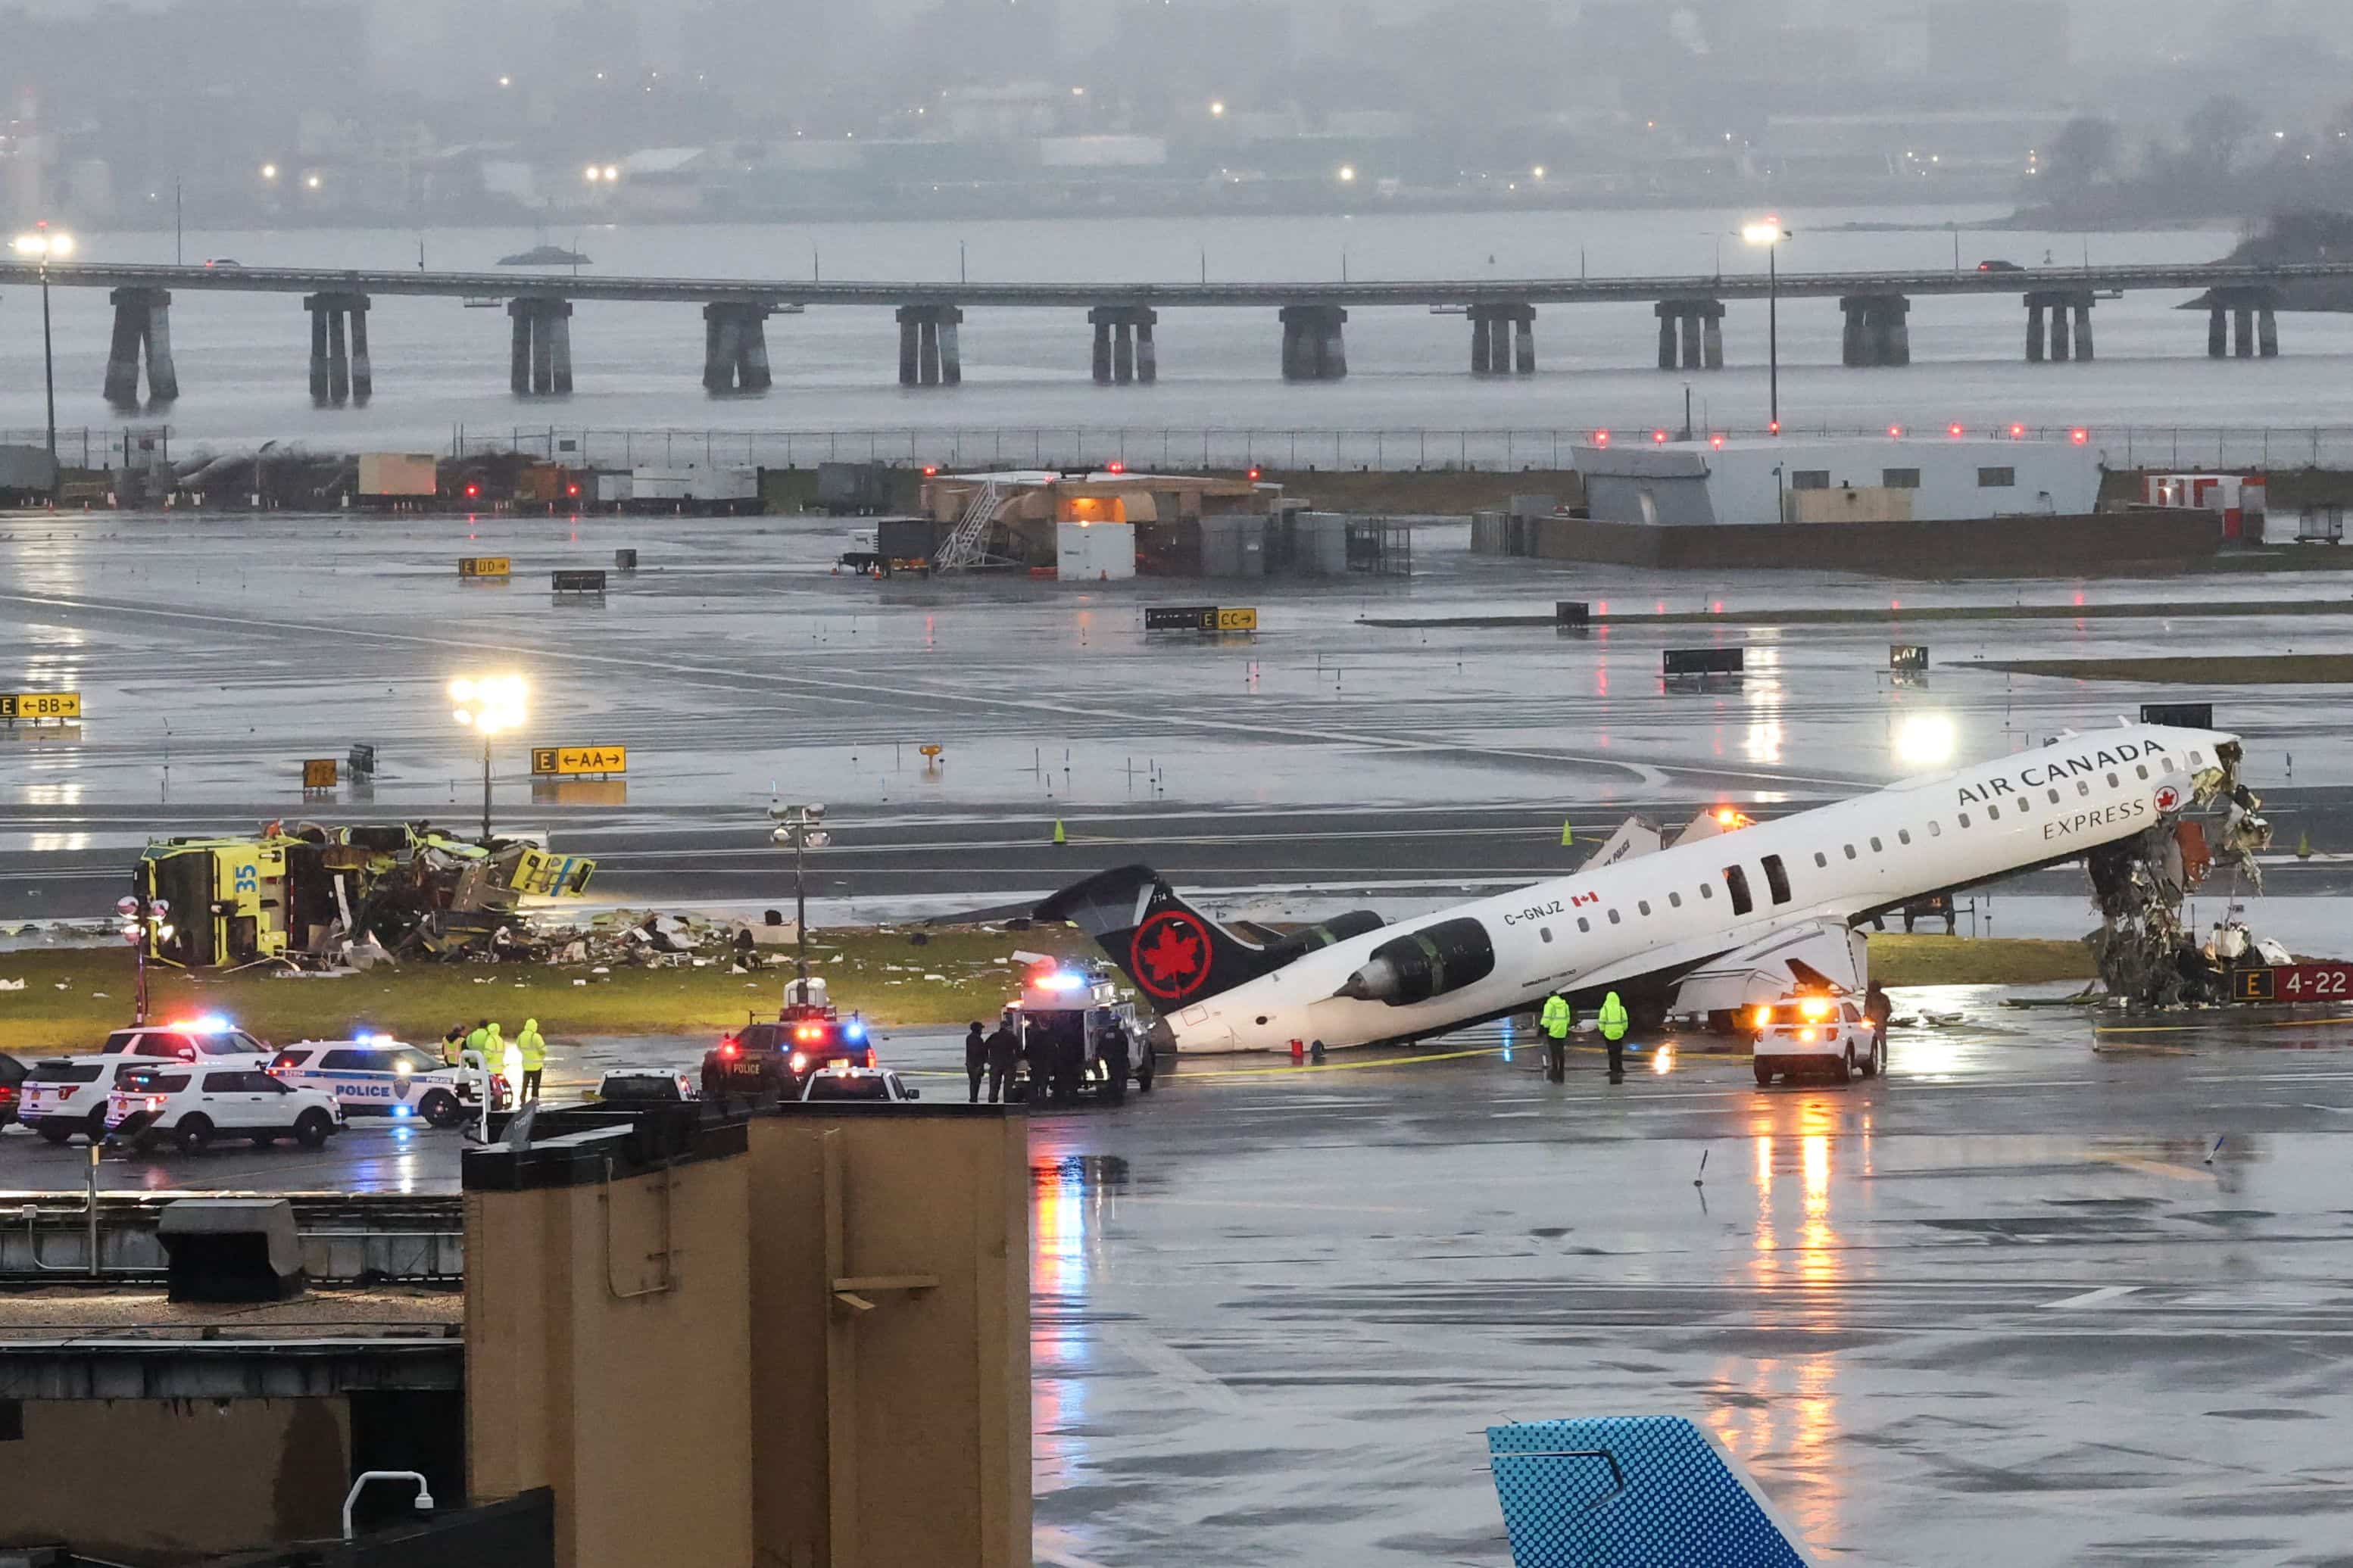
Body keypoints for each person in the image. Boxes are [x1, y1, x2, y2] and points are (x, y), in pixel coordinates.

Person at [983, 1016, 1022, 1104]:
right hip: (1009, 1064)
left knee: (994, 1086)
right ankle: (1007, 1104)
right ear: (1008, 1027)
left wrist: (987, 1059)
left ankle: (992, 1104)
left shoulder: (993, 1036)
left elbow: (984, 1047)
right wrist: (1017, 1059)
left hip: (995, 1064)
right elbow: (1018, 1050)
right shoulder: (1012, 1037)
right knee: (1008, 1086)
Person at [1597, 990, 1631, 1083]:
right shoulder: (1621, 1009)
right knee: (1618, 1051)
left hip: (1608, 1033)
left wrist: (1602, 1030)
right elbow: (1625, 1021)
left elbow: (1602, 1021)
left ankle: (1613, 1068)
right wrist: (1623, 1029)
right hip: (1619, 1033)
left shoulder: (1605, 1009)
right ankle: (1620, 1068)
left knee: (1611, 1052)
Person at [1539, 993, 1573, 1083]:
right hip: (1562, 1029)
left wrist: (1543, 1027)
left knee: (1554, 1050)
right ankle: (1561, 1068)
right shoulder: (1565, 1004)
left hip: (1553, 1029)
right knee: (1561, 1049)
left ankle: (1555, 1068)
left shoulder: (1549, 1005)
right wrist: (1564, 1025)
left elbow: (1546, 1018)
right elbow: (1568, 1018)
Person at [1101, 1018, 1132, 1102]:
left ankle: (1112, 1092)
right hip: (1119, 1058)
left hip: (1109, 1059)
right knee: (1120, 1076)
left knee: (1112, 1075)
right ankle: (1118, 1094)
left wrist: (1104, 1056)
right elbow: (1125, 1046)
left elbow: (1100, 1046)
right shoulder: (1120, 1033)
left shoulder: (1105, 1033)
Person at [516, 1018, 546, 1101]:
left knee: (525, 1084)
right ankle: (534, 1100)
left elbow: (518, 1046)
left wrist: (525, 1053)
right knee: (535, 1085)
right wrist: (540, 1054)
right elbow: (543, 1050)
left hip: (526, 1065)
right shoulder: (536, 1036)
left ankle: (523, 1097)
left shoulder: (521, 1036)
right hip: (536, 1066)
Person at [964, 1021, 988, 1103]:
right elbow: (980, 1052)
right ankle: (974, 1099)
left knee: (973, 1082)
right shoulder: (978, 1039)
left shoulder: (969, 1038)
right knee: (976, 1082)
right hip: (976, 1064)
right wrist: (983, 1062)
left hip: (970, 1064)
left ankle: (973, 1098)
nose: (982, 1031)